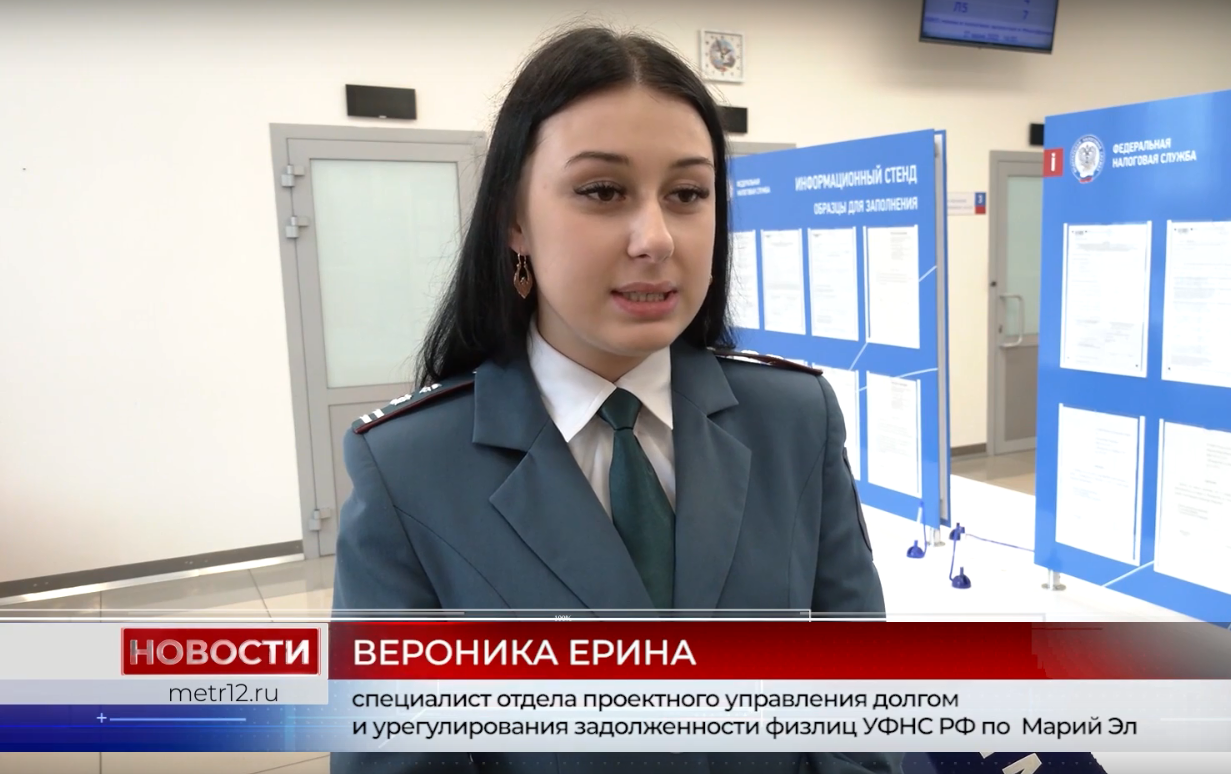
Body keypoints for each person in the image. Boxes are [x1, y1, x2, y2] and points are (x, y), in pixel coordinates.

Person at [330, 25, 897, 774]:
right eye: (602, 191)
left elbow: (862, 706)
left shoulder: (794, 418)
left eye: (688, 194)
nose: (656, 238)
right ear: (513, 220)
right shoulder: (408, 469)